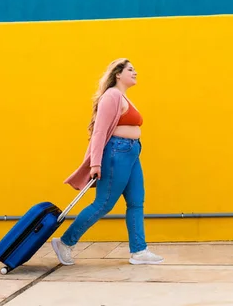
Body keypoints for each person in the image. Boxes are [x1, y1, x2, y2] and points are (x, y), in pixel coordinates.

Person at [51, 58, 164, 266]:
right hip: (116, 153)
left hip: (131, 154)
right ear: (118, 74)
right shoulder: (111, 96)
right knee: (103, 203)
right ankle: (65, 242)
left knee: (136, 201)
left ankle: (139, 251)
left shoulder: (124, 97)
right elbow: (100, 131)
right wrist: (95, 164)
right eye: (130, 69)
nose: (135, 72)